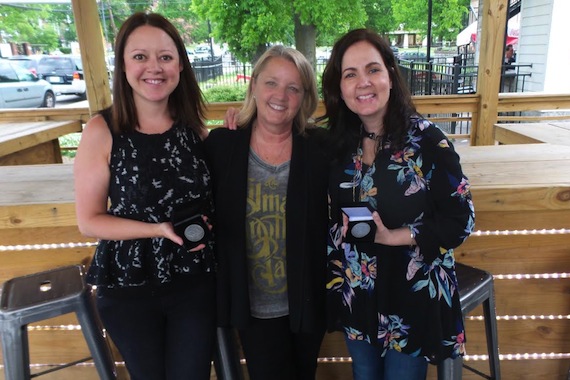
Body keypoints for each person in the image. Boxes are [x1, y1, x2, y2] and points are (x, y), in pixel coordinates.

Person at [319, 29, 475, 379]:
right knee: (364, 372)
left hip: (410, 294)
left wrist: (395, 236)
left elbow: (461, 220)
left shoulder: (428, 141)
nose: (363, 82)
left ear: (390, 74)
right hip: (356, 289)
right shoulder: (337, 145)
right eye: (350, 74)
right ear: (339, 88)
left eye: (373, 69)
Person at [73, 12, 216, 380]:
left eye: (165, 57)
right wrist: (157, 230)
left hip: (194, 282)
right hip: (128, 285)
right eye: (140, 56)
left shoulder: (194, 129)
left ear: (180, 66)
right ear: (123, 64)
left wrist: (235, 134)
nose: (154, 68)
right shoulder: (102, 130)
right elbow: (89, 220)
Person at [204, 45, 329, 380]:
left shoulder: (320, 148)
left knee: (304, 374)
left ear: (304, 98)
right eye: (271, 83)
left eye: (293, 88)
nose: (281, 95)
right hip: (254, 306)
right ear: (254, 86)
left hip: (307, 299)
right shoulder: (222, 146)